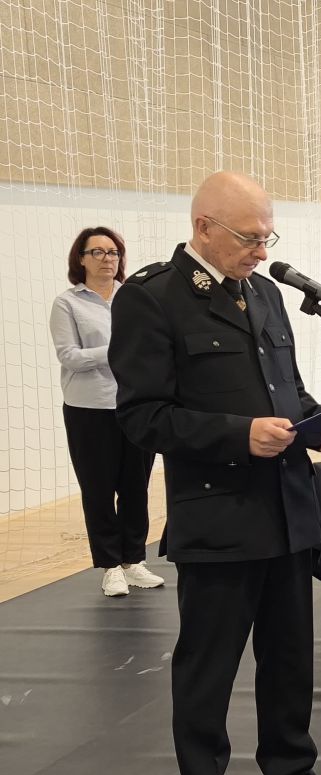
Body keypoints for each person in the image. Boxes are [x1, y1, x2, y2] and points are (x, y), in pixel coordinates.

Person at [109, 172, 321, 775]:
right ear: (204, 227)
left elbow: (283, 389)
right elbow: (142, 416)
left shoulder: (266, 293)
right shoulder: (152, 298)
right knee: (208, 675)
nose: (262, 249)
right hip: (219, 515)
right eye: (251, 237)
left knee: (289, 664)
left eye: (267, 236)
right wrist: (236, 435)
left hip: (287, 509)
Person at [49, 227, 164, 597]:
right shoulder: (67, 303)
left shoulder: (135, 298)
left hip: (136, 405)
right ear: (80, 259)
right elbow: (70, 357)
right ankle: (110, 566)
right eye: (97, 252)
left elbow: (152, 347)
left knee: (136, 488)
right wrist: (121, 350)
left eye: (113, 252)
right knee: (98, 490)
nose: (107, 259)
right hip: (89, 409)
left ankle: (133, 561)